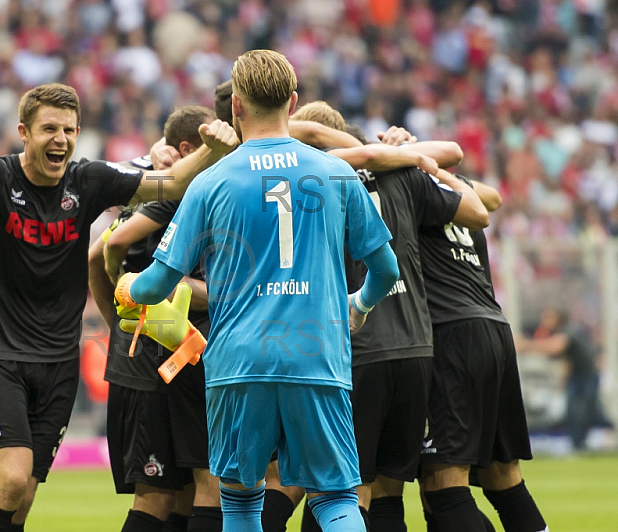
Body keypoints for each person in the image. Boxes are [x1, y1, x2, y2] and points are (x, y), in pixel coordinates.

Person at [0, 82, 238, 532]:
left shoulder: (87, 180)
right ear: (24, 132)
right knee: (9, 481)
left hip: (58, 360)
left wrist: (209, 150)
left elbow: (172, 183)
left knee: (24, 496)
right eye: (49, 128)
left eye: (69, 129)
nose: (61, 138)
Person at [114, 49, 400, 532]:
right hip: (317, 352)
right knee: (333, 497)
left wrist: (129, 288)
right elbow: (386, 268)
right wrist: (360, 304)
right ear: (292, 101)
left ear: (236, 107)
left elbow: (158, 282)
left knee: (242, 502)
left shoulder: (209, 182)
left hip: (238, 361)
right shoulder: (336, 172)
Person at [285, 110, 490, 532]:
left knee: (341, 493)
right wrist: (406, 152)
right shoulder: (402, 172)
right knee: (388, 491)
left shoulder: (309, 182)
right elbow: (480, 202)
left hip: (354, 351)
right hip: (416, 349)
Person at [88, 105, 222, 532]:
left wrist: (118, 318)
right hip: (152, 360)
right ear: (188, 149)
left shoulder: (152, 177)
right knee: (164, 493)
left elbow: (99, 254)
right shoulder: (178, 192)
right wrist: (131, 308)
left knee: (182, 491)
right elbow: (105, 252)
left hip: (158, 356)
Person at [418, 173, 548, 532]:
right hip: (494, 328)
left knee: (442, 485)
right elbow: (492, 196)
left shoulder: (401, 181)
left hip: (450, 335)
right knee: (503, 478)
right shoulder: (453, 185)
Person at [518, 307, 614, 451]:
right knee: (576, 410)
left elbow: (553, 347)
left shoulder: (569, 331)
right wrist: (564, 379)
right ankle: (578, 443)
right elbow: (568, 360)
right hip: (577, 376)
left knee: (588, 410)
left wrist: (525, 345)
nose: (544, 322)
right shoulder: (564, 332)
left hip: (586, 376)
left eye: (548, 318)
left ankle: (599, 435)